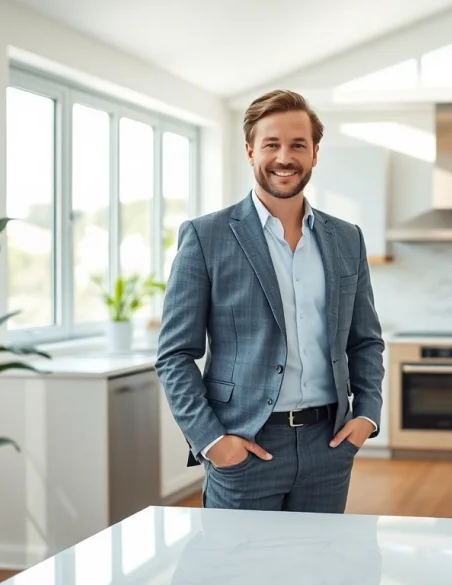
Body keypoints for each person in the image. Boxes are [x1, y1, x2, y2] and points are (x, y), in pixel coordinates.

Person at [155, 89, 384, 513]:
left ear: (315, 153)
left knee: (318, 570)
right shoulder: (207, 237)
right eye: (271, 144)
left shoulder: (347, 239)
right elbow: (174, 355)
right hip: (244, 445)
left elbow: (365, 341)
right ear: (250, 151)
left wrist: (366, 416)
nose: (285, 157)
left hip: (328, 445)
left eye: (298, 144)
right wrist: (212, 441)